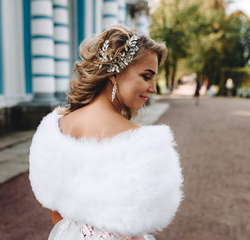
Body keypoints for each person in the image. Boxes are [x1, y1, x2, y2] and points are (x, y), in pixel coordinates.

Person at [29, 25, 183, 240]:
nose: (153, 87)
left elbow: (52, 204)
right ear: (115, 73)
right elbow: (141, 221)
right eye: (146, 76)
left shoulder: (56, 127)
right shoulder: (143, 142)